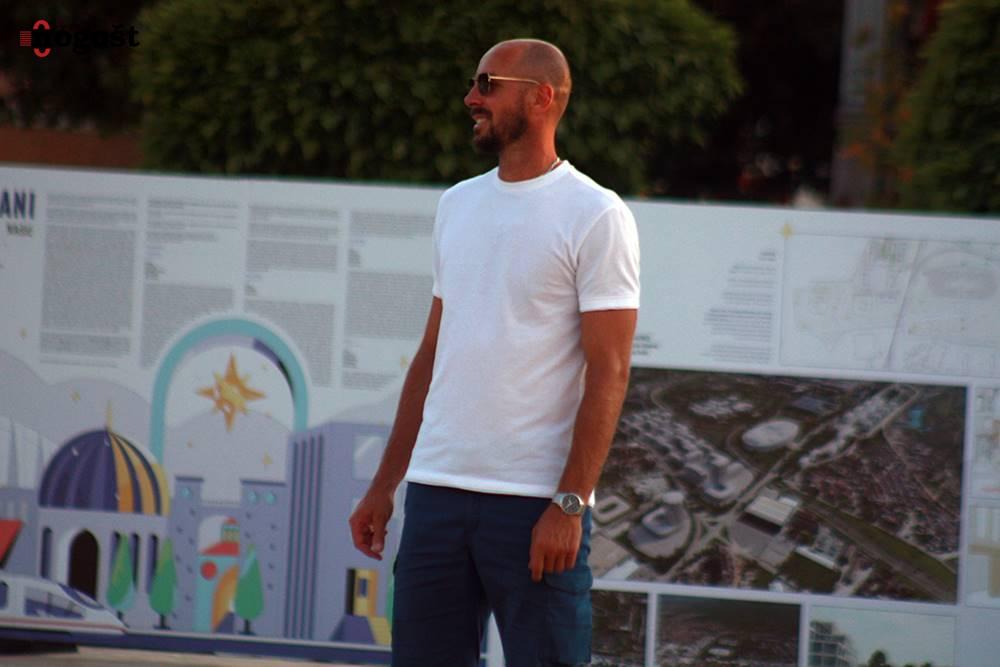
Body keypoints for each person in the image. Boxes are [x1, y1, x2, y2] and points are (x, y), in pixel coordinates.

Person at [348, 38, 640, 666]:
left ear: (541, 98)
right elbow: (433, 351)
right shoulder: (457, 204)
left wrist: (569, 503)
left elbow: (610, 371)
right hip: (437, 494)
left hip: (535, 504)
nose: (470, 98)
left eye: (486, 84)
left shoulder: (596, 215)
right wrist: (385, 484)